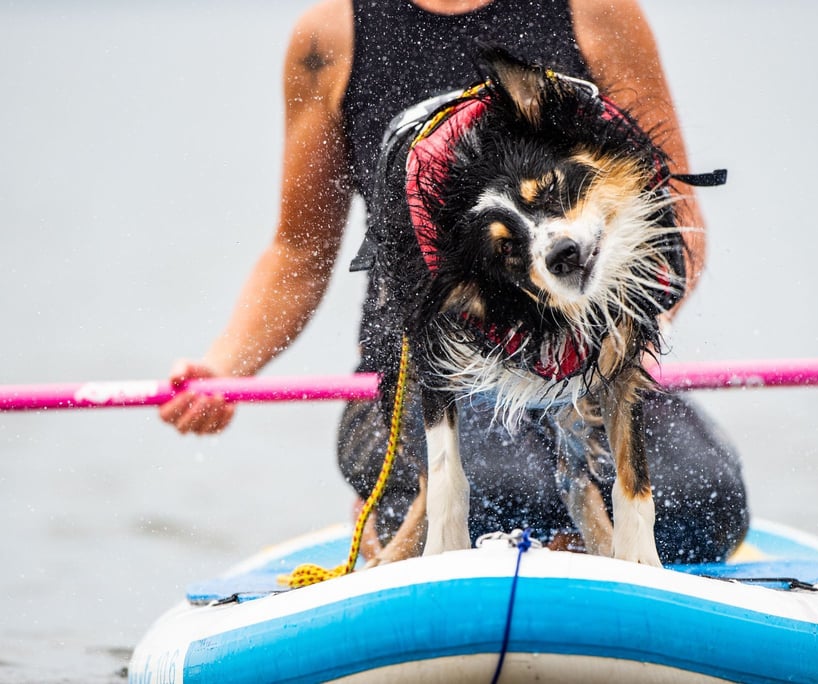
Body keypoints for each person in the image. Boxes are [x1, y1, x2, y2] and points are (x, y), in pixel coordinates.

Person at [159, 0, 748, 564]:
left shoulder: (595, 9)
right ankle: (408, 510)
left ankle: (580, 529)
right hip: (427, 375)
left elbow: (674, 216)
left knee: (705, 502)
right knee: (505, 496)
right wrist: (226, 366)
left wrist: (600, 339)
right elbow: (299, 251)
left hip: (594, 365)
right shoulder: (329, 37)